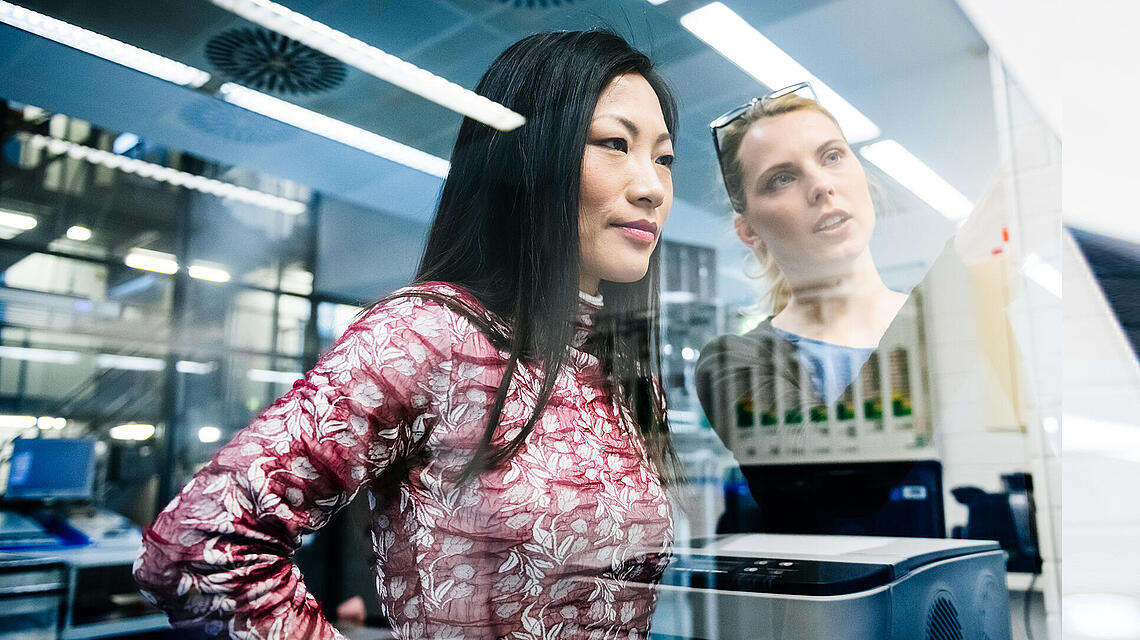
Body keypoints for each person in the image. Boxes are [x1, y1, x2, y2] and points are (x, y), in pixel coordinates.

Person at [133, 29, 681, 640]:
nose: (652, 186)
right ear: (527, 161)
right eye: (614, 144)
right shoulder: (429, 334)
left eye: (664, 157)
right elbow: (200, 545)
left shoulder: (625, 372)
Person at [696, 84, 909, 416]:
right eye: (782, 178)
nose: (822, 186)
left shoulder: (944, 318)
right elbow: (836, 456)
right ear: (749, 230)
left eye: (833, 156)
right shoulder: (736, 362)